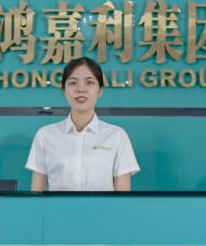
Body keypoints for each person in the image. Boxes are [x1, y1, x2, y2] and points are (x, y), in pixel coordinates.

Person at [26, 57, 140, 191]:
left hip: (102, 206)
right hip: (58, 206)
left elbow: (123, 197)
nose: (81, 89)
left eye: (89, 82)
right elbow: (36, 195)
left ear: (100, 90)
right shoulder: (45, 135)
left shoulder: (117, 135)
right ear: (64, 91)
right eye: (73, 83)